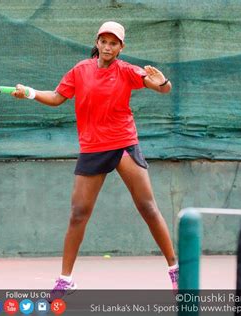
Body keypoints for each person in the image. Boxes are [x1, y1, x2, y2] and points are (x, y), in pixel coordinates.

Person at [11, 21, 178, 292]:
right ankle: (65, 280)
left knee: (147, 207)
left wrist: (164, 83)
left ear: (121, 47)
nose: (108, 47)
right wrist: (29, 93)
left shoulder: (127, 70)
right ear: (97, 42)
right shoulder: (80, 70)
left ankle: (174, 270)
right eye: (104, 41)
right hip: (92, 147)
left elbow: (160, 87)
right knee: (78, 213)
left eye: (114, 43)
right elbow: (56, 97)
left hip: (123, 143)